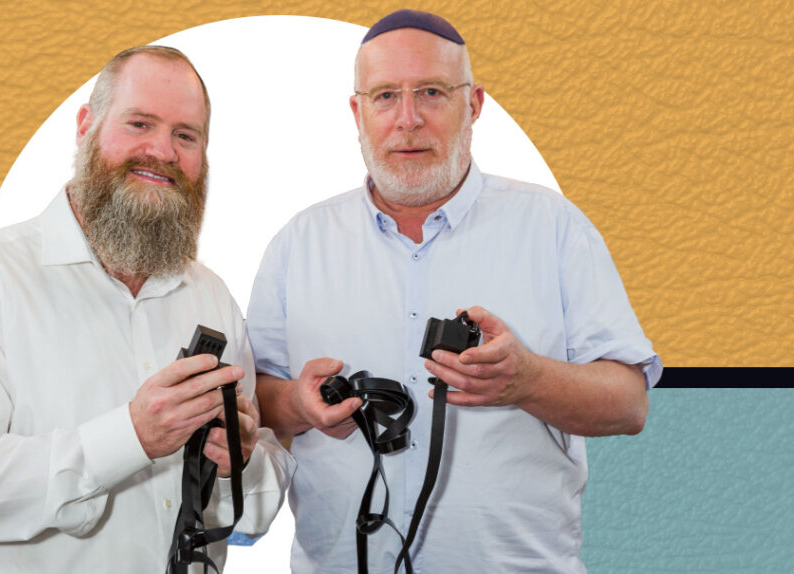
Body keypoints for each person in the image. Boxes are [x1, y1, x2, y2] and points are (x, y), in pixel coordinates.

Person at [247, 9, 662, 573]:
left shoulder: (554, 227)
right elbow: (252, 402)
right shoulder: (298, 244)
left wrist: (528, 380)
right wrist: (298, 404)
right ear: (358, 113)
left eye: (432, 92)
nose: (408, 119)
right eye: (385, 96)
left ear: (475, 104)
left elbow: (629, 403)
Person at [0, 45, 294, 572]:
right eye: (140, 123)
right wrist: (130, 437)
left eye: (186, 135)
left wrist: (238, 466)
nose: (163, 151)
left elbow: (248, 521)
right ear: (86, 125)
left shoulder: (211, 297)